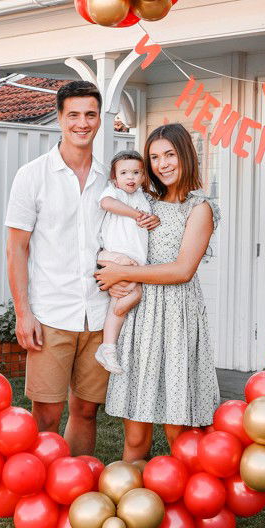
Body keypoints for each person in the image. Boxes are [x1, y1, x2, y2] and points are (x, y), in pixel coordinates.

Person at [6, 80, 130, 528]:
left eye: (91, 115)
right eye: (74, 115)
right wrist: (24, 312)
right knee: (46, 412)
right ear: (59, 118)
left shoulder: (111, 178)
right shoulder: (32, 175)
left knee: (86, 410)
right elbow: (17, 248)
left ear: (101, 120)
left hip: (99, 317)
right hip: (51, 313)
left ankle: (77, 503)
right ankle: (37, 510)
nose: (82, 123)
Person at [95, 122, 220, 464]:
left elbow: (182, 270)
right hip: (139, 315)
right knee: (135, 431)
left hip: (177, 316)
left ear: (185, 156)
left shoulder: (199, 208)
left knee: (178, 428)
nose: (162, 163)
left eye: (169, 154)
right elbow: (111, 234)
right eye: (154, 157)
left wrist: (124, 272)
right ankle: (135, 505)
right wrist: (108, 268)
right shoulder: (142, 202)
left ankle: (191, 504)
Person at [94, 150, 159, 375]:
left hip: (133, 264)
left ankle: (108, 346)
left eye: (135, 173)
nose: (130, 177)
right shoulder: (115, 193)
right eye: (124, 173)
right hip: (114, 256)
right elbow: (106, 203)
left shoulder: (143, 197)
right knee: (128, 298)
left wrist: (151, 218)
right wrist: (135, 214)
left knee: (128, 297)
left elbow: (149, 218)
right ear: (115, 178)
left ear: (143, 177)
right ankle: (109, 346)